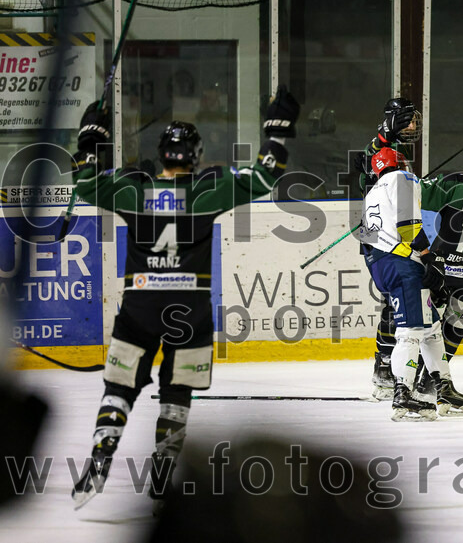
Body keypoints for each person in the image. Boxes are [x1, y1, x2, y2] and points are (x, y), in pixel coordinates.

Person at [70, 86, 300, 510]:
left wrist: (88, 141)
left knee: (119, 387)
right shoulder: (208, 190)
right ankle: (162, 475)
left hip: (139, 307)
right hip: (188, 311)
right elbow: (267, 174)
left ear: (161, 155)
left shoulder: (132, 189)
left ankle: (101, 457)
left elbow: (85, 184)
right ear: (195, 156)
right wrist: (277, 130)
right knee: (176, 396)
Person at [356, 146, 463, 421]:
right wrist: (425, 258)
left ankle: (445, 388)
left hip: (381, 264)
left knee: (431, 327)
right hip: (401, 265)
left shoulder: (373, 191)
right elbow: (410, 228)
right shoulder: (403, 178)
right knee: (411, 329)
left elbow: (368, 242)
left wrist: (419, 259)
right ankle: (403, 394)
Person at [362, 98, 421, 401]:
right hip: (385, 237)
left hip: (392, 232)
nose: (414, 126)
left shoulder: (399, 149)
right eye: (409, 120)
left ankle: (390, 365)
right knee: (395, 302)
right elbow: (370, 181)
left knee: (396, 302)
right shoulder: (379, 147)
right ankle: (386, 365)